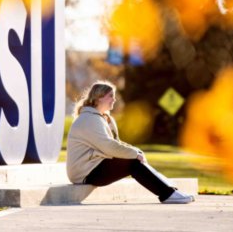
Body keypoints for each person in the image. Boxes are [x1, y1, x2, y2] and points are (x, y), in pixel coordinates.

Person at [66, 80, 195, 204]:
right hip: (85, 172)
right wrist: (134, 154)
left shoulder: (101, 118)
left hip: (93, 166)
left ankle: (171, 191)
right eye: (111, 96)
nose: (114, 100)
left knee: (134, 160)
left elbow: (116, 143)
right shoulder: (89, 119)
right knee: (132, 163)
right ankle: (168, 194)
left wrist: (136, 151)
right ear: (99, 97)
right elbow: (109, 147)